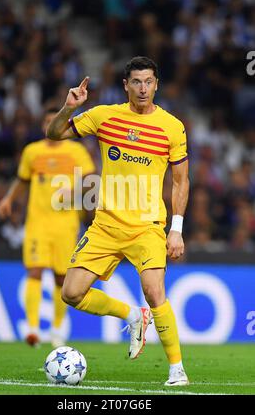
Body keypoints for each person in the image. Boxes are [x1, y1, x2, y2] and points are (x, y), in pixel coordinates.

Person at [46, 56, 190, 386]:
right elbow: (53, 134)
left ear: (157, 85)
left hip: (147, 226)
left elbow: (181, 180)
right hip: (105, 226)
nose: (142, 88)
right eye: (136, 82)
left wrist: (176, 230)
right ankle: (130, 315)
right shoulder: (103, 116)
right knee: (71, 293)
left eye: (148, 82)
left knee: (154, 292)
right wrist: (69, 107)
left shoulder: (171, 126)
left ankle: (177, 370)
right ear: (126, 85)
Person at [0, 108, 95, 348]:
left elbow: (92, 180)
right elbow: (22, 180)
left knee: (62, 277)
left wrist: (75, 191)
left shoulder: (76, 151)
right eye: (48, 121)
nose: (52, 125)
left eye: (56, 121)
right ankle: (32, 329)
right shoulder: (32, 152)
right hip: (37, 222)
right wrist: (8, 199)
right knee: (35, 271)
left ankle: (57, 329)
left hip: (66, 223)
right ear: (43, 125)